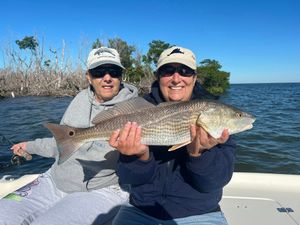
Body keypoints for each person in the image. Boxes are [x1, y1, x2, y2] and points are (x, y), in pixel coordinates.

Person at [0, 47, 138, 225]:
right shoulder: (80, 99)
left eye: (114, 71)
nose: (107, 78)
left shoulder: (136, 108)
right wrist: (30, 146)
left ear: (121, 76)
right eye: (99, 72)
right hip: (54, 179)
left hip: (101, 189)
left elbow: (146, 162)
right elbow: (65, 141)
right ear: (88, 76)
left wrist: (134, 154)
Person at [109, 46, 236, 225]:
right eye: (168, 71)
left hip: (200, 214)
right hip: (141, 209)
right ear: (158, 76)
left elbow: (213, 183)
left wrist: (198, 155)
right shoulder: (140, 111)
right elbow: (129, 179)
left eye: (185, 71)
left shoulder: (215, 114)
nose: (176, 79)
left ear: (194, 77)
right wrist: (140, 156)